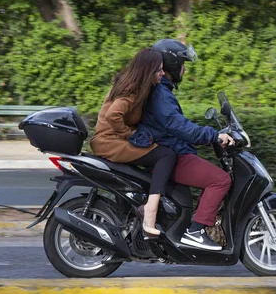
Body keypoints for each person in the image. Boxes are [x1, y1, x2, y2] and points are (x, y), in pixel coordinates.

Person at [133, 39, 234, 251]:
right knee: (221, 180)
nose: (185, 69)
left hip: (170, 150)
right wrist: (213, 135)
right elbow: (177, 125)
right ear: (172, 64)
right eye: (182, 64)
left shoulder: (162, 91)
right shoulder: (161, 93)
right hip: (172, 154)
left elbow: (174, 126)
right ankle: (196, 232)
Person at [90, 48, 177, 239]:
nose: (162, 74)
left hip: (112, 141)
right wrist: (129, 133)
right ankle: (150, 212)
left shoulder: (136, 86)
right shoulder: (131, 90)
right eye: (159, 70)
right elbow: (114, 115)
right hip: (109, 142)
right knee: (166, 155)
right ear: (147, 72)